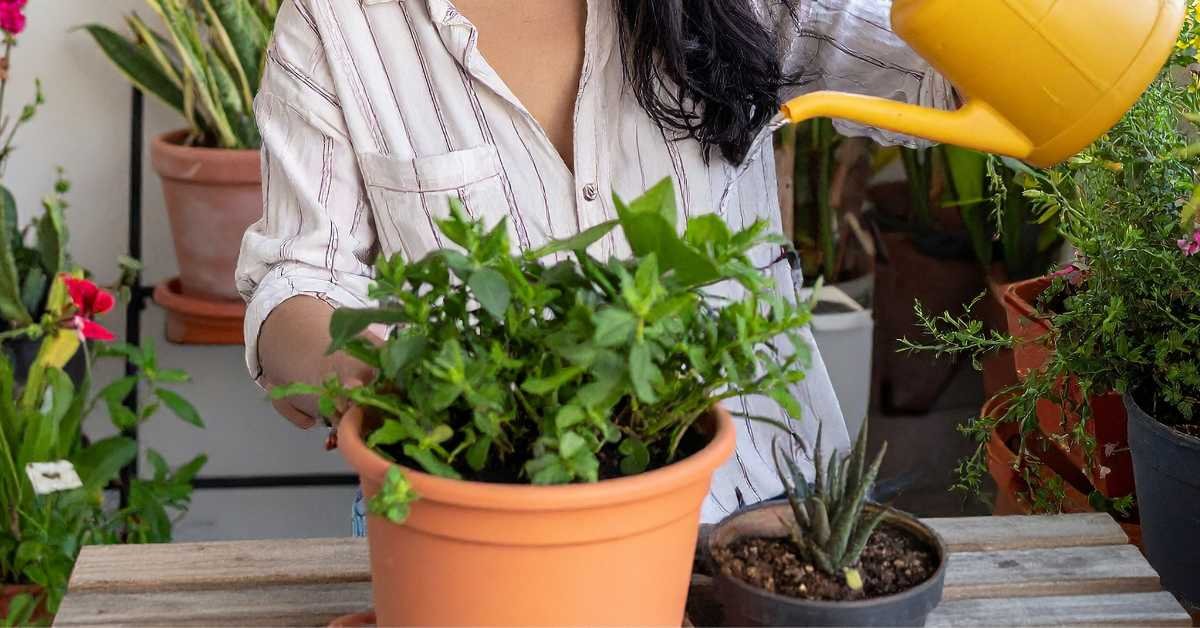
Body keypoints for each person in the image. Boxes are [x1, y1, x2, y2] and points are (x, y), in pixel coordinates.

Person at [236, 0, 955, 526]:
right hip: (480, 527)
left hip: (772, 514)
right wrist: (380, 380)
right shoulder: (339, 23)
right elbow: (298, 280)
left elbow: (951, 72)